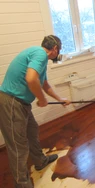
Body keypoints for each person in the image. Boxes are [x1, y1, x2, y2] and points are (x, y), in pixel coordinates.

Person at [0, 35, 71, 187]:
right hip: (12, 103)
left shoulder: (39, 58)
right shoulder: (40, 54)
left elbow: (44, 83)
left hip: (21, 103)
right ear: (55, 49)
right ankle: (22, 184)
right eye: (58, 51)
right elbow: (31, 79)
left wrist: (60, 99)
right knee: (18, 146)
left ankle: (40, 161)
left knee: (32, 131)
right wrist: (42, 99)